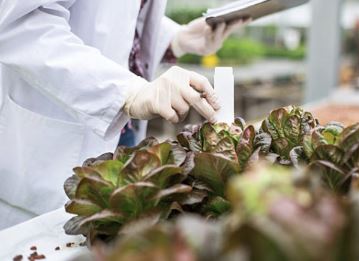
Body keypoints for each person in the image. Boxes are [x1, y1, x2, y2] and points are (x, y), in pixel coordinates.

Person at [0, 0, 249, 229]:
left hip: (123, 135)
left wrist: (176, 39)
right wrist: (127, 91)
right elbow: (19, 20)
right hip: (52, 147)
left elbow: (114, 16)